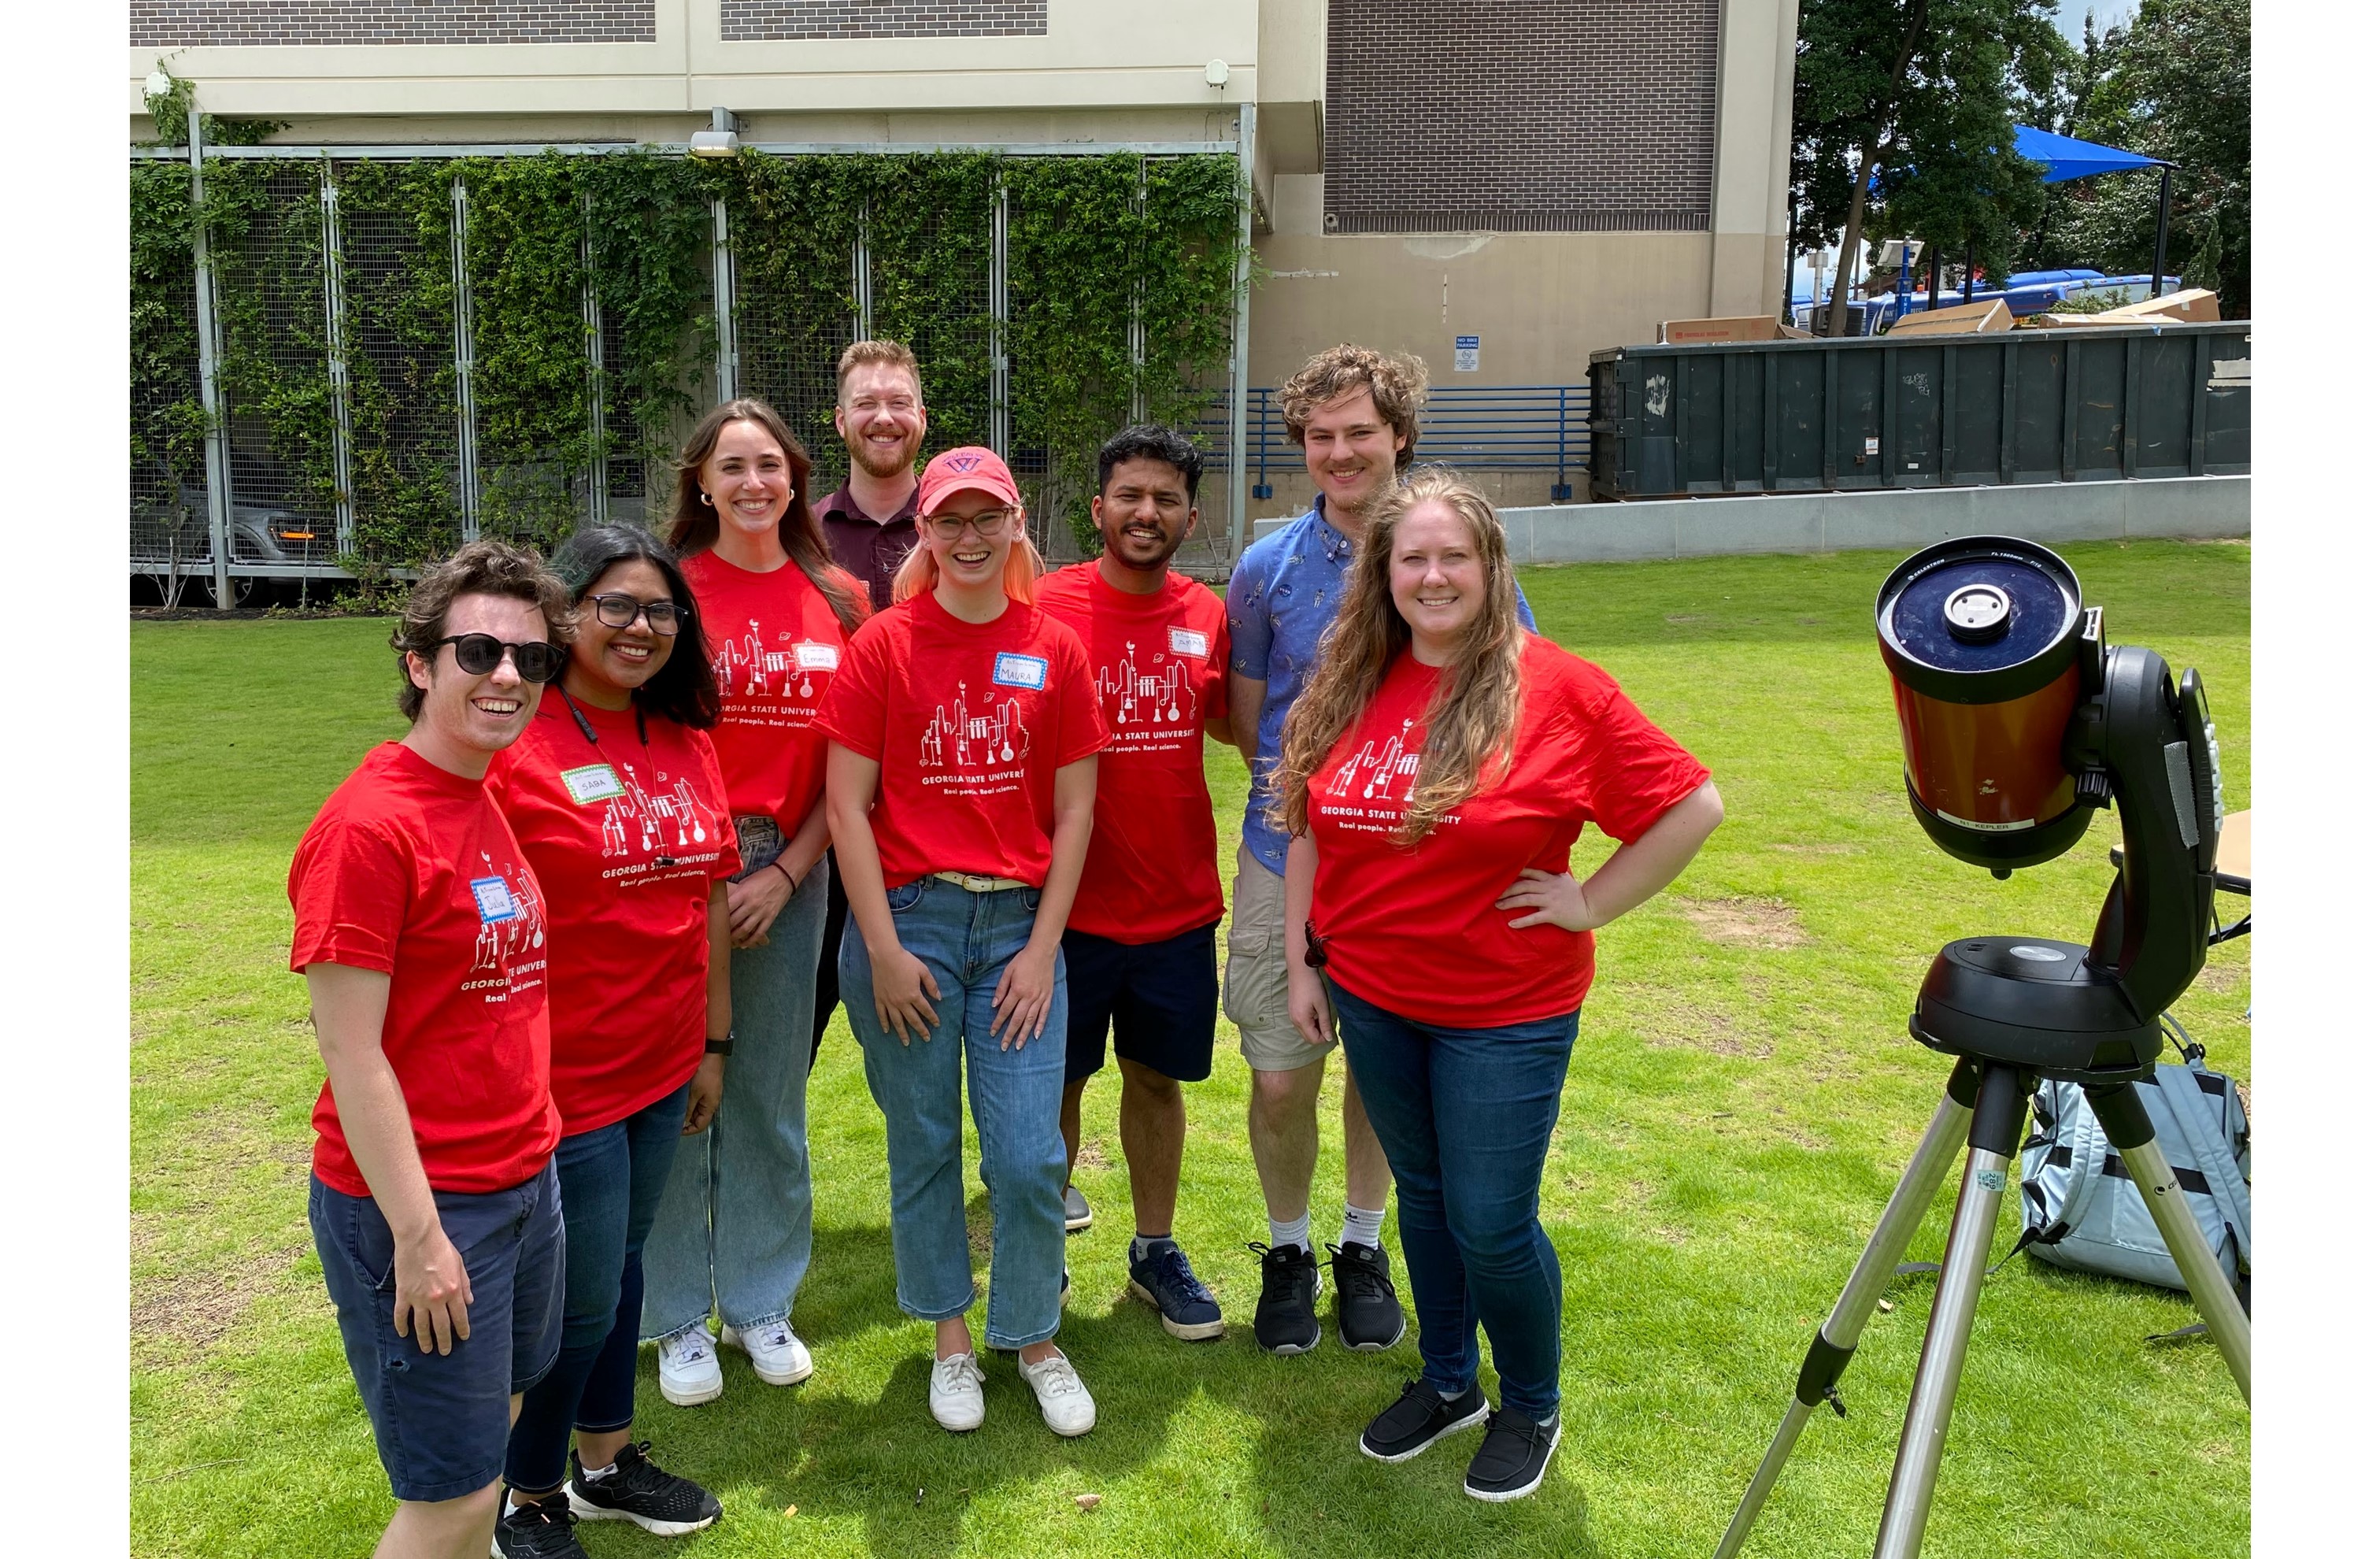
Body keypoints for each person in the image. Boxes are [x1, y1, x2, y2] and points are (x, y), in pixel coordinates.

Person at [1275, 469, 1723, 1502]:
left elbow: (1690, 805)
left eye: (1451, 557)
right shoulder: (1353, 674)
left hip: (1502, 1014)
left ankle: (1528, 1401)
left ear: (1488, 567)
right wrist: (1306, 956)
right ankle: (1446, 1384)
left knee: (1489, 1218)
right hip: (1376, 996)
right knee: (1423, 1202)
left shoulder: (1557, 687)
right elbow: (1307, 817)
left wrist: (1588, 903)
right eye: (1410, 559)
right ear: (1382, 574)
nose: (1431, 576)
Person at [1222, 343, 1538, 1355]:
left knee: (1381, 1071)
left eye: (1359, 431)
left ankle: (1362, 1245)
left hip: (1415, 873)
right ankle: (1286, 1249)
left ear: (1398, 434)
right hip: (1287, 859)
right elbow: (1248, 724)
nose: (1340, 452)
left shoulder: (1451, 556)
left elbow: (1513, 696)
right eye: (1318, 437)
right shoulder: (1265, 569)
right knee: (1281, 1072)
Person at [289, 540, 573, 1559]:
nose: (506, 676)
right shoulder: (369, 829)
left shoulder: (481, 792)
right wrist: (418, 1239)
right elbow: (350, 1053)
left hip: (519, 1181)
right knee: (449, 1498)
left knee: (488, 1440)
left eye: (531, 661)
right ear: (419, 663)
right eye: (480, 652)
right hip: (421, 1207)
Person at [818, 446, 1106, 1437]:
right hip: (910, 925)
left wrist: (1042, 949)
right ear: (925, 532)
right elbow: (846, 809)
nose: (970, 538)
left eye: (989, 519)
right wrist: (883, 948)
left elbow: (1074, 814)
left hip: (1020, 929)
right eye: (951, 520)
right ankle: (949, 1340)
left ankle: (1030, 1336)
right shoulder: (885, 646)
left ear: (1016, 525)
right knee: (926, 1141)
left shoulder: (1053, 647)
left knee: (1029, 1156)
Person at [482, 528, 738, 1555]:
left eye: (661, 611)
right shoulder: (515, 736)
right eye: (616, 606)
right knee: (578, 1299)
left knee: (619, 1269)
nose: (641, 629)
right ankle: (525, 1496)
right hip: (560, 1074)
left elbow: (710, 896)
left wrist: (714, 1041)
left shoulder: (683, 739)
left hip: (661, 1060)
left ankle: (602, 1462)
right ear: (564, 615)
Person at [642, 398, 868, 1409]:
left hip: (792, 870)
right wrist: (708, 867)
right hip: (675, 866)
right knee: (677, 1091)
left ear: (795, 477)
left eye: (768, 464)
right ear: (700, 481)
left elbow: (849, 768)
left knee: (769, 1093)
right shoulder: (665, 592)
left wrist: (785, 871)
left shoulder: (840, 595)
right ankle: (676, 1316)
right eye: (730, 466)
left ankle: (760, 1299)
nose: (751, 483)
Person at [1035, 426, 1234, 1341]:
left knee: (1156, 1081)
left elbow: (1239, 723)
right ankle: (1042, 1253)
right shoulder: (1042, 606)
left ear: (1190, 516)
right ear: (1097, 509)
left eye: (1163, 499)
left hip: (1175, 903)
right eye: (1128, 496)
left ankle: (1154, 1251)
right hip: (1060, 907)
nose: (1144, 512)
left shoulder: (1207, 614)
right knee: (1055, 1086)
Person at [810, 341, 931, 1071]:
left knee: (937, 1039)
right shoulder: (800, 536)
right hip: (819, 831)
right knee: (786, 1039)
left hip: (935, 824)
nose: (882, 418)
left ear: (921, 417)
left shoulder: (965, 527)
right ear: (840, 421)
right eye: (866, 403)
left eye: (897, 403)